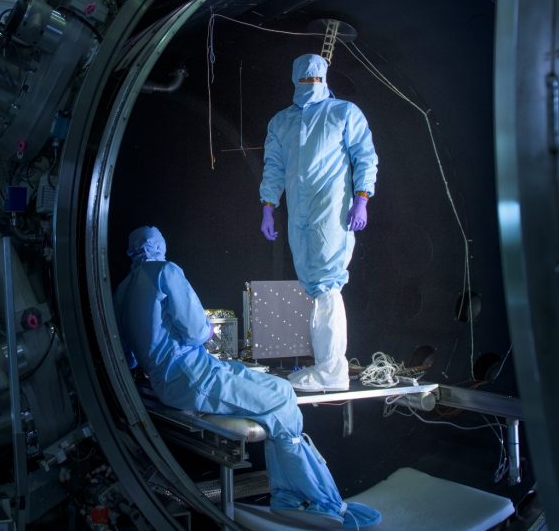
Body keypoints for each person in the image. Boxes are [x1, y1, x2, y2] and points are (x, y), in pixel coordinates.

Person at [113, 225, 381, 529]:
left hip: (169, 383)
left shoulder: (122, 290)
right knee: (283, 396)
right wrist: (204, 332)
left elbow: (128, 354)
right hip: (193, 376)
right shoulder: (165, 271)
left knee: (276, 393)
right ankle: (312, 500)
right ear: (159, 245)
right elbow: (196, 330)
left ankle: (296, 495)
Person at [259, 53, 378, 392]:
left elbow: (364, 156)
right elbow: (274, 166)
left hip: (330, 208)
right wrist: (268, 206)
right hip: (299, 212)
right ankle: (323, 366)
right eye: (304, 81)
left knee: (327, 284)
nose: (309, 86)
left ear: (324, 79)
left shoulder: (343, 113)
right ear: (294, 81)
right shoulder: (281, 122)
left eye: (314, 80)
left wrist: (361, 199)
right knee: (312, 286)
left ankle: (331, 370)